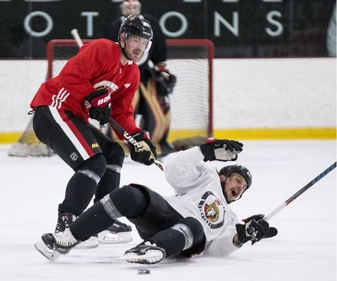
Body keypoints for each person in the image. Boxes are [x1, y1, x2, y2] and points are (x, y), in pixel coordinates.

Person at [34, 138, 278, 264]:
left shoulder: (232, 219)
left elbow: (217, 250)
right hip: (166, 212)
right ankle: (69, 238)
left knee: (194, 225)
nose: (238, 187)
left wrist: (241, 236)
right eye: (236, 180)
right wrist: (205, 152)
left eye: (243, 187)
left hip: (187, 238)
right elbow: (173, 169)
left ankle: (152, 248)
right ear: (223, 176)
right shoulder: (206, 176)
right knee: (130, 193)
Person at [29, 15, 157, 247]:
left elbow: (121, 114)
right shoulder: (101, 49)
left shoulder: (131, 73)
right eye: (136, 39)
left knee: (114, 154)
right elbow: (70, 77)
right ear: (123, 37)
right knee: (93, 162)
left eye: (144, 41)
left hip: (73, 117)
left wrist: (137, 138)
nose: (139, 47)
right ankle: (68, 222)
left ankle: (101, 219)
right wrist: (92, 96)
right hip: (53, 109)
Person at [104, 0, 177, 157]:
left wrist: (162, 69)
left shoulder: (152, 24)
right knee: (122, 107)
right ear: (122, 9)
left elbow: (159, 51)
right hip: (122, 76)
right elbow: (108, 53)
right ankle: (118, 143)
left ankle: (156, 142)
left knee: (156, 107)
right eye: (128, 7)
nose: (132, 10)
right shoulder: (113, 27)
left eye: (135, 7)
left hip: (145, 75)